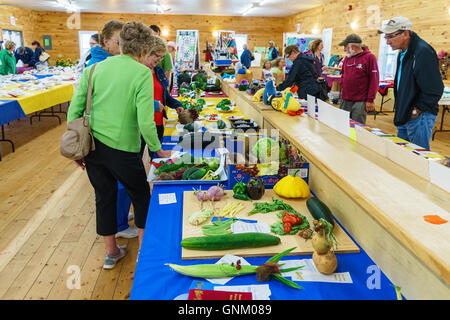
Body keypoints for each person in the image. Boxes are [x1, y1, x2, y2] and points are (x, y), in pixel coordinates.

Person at [67, 22, 173, 269]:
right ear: (144, 47)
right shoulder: (141, 73)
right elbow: (146, 121)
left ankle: (111, 252)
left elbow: (75, 109)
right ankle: (144, 255)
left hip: (92, 147)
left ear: (121, 42)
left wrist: (75, 147)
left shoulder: (94, 69)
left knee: (104, 197)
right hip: (123, 149)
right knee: (141, 197)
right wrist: (158, 148)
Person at [379, 17, 444, 150]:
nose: (387, 41)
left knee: (418, 159)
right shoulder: (403, 52)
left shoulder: (422, 52)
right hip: (405, 114)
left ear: (405, 34)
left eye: (390, 36)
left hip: (419, 116)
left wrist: (415, 110)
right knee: (404, 157)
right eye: (386, 37)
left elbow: (435, 89)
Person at [140, 36, 183, 160]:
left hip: (158, 122)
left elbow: (164, 95)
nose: (159, 59)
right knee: (136, 159)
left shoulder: (158, 71)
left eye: (162, 56)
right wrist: (154, 105)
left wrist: (176, 104)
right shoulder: (138, 72)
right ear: (146, 52)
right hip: (141, 124)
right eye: (157, 55)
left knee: (156, 158)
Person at [338, 34, 379, 125]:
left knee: (357, 127)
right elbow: (343, 75)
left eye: (345, 46)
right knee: (342, 125)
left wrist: (370, 99)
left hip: (360, 101)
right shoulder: (347, 58)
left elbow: (374, 80)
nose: (344, 49)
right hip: (345, 99)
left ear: (353, 46)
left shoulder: (369, 57)